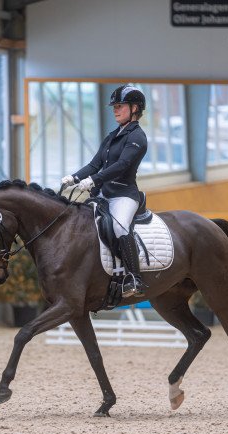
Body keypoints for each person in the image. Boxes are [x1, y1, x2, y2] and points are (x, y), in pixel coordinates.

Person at [61, 84, 148, 298]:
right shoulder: (112, 136)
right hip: (103, 194)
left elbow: (121, 166)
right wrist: (75, 177)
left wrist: (93, 180)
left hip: (124, 195)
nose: (115, 110)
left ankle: (134, 278)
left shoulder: (137, 137)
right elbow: (94, 164)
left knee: (120, 227)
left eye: (120, 106)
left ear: (134, 108)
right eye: (114, 107)